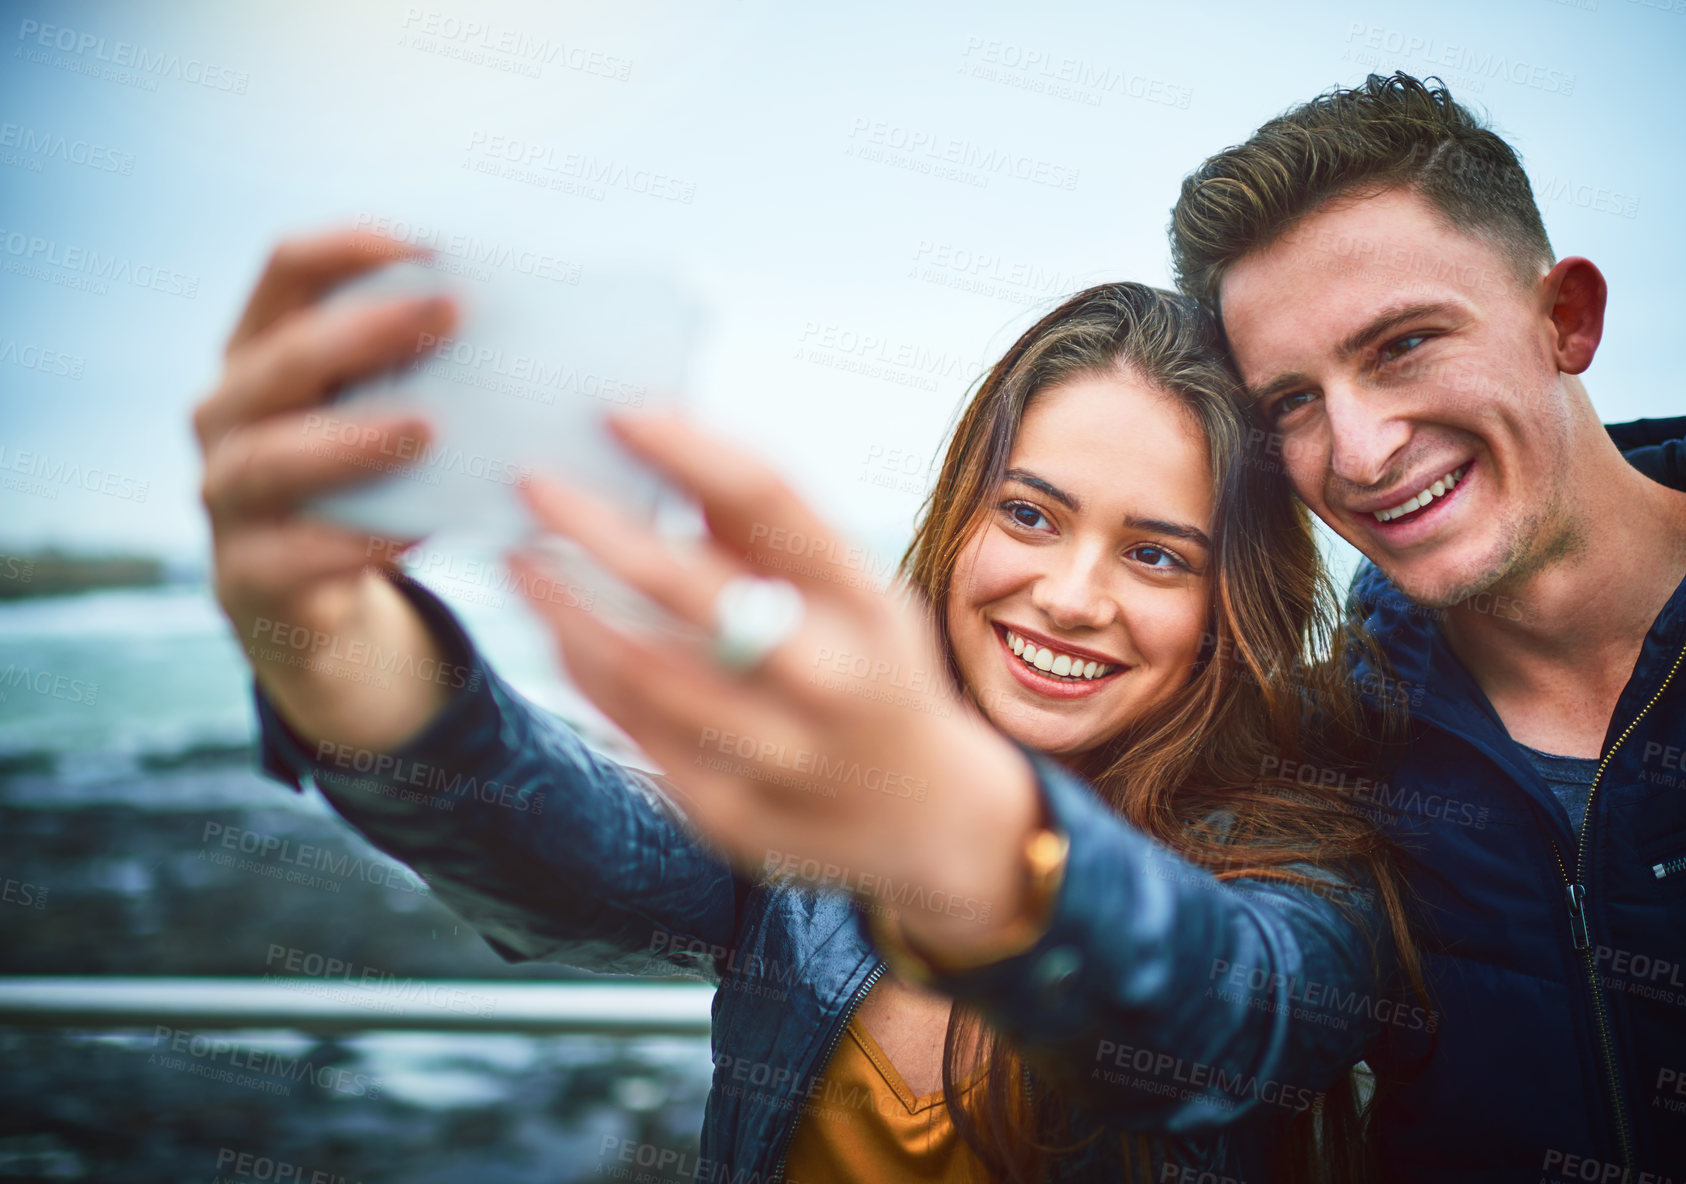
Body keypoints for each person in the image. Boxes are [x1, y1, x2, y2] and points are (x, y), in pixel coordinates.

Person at [197, 260, 1423, 1180]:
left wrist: (972, 840)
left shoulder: (1309, 875)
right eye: (1033, 515)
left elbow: (1228, 1014)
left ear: (1232, 602)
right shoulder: (819, 826)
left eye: (1155, 553)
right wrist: (321, 628)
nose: (1069, 594)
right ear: (958, 522)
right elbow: (567, 838)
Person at [1167, 72, 1686, 1180]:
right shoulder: (1321, 749)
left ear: (1567, 319)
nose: (1357, 453)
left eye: (1401, 343)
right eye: (1292, 401)